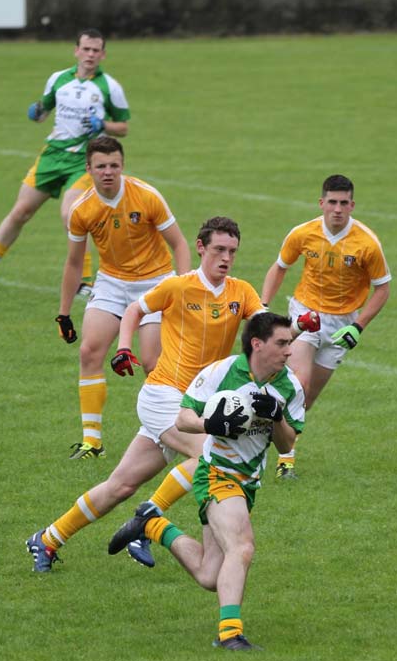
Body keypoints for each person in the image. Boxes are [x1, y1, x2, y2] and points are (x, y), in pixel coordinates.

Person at [25, 217, 316, 573]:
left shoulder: (241, 292)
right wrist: (124, 346)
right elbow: (134, 309)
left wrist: (301, 325)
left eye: (232, 251)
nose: (226, 258)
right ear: (200, 248)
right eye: (219, 250)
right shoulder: (177, 286)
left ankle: (49, 538)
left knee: (121, 484)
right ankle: (148, 519)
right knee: (210, 457)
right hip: (164, 395)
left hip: (199, 401)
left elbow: (270, 332)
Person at [108, 313, 305, 650]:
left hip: (249, 482)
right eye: (282, 343)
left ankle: (151, 525)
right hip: (216, 473)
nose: (289, 351)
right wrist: (213, 424)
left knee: (209, 575)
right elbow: (183, 419)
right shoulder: (220, 372)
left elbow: (287, 444)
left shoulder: (289, 386)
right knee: (241, 546)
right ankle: (230, 635)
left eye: (290, 343)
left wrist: (275, 416)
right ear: (258, 344)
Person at [0, 28, 130, 294]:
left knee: (71, 213)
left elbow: (123, 127)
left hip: (84, 160)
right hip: (52, 155)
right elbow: (42, 112)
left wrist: (103, 124)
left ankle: (85, 282)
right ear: (76, 50)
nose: (90, 54)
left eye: (95, 50)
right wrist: (36, 112)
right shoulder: (58, 79)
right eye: (85, 49)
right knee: (20, 212)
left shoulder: (109, 87)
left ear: (103, 54)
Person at [54, 136, 190, 459]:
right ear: (88, 169)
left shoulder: (146, 196)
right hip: (112, 283)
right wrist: (63, 312)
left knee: (153, 362)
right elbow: (74, 262)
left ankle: (171, 432)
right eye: (101, 166)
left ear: (122, 166)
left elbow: (180, 245)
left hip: (156, 282)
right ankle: (92, 442)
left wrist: (182, 290)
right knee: (89, 351)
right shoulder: (82, 209)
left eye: (114, 165)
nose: (108, 172)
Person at [261, 174, 391, 479]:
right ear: (321, 203)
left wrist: (358, 326)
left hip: (343, 324)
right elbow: (280, 267)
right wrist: (263, 306)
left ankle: (277, 436)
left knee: (307, 399)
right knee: (300, 383)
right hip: (307, 315)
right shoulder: (303, 233)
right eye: (332, 202)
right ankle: (285, 461)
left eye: (343, 203)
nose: (337, 209)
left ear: (352, 205)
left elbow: (383, 289)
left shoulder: (367, 243)